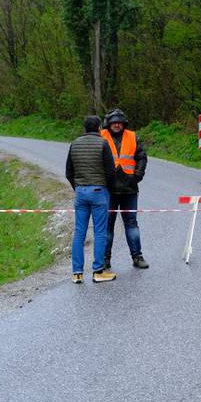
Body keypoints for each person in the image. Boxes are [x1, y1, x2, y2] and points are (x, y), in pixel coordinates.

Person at [65, 115, 118, 284]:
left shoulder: (74, 144)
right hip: (99, 191)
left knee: (79, 232)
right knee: (100, 231)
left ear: (84, 128)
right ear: (99, 128)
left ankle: (77, 273)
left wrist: (78, 188)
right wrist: (107, 189)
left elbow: (69, 172)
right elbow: (111, 171)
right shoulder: (103, 143)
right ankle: (98, 271)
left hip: (81, 192)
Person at [100, 108, 149, 270]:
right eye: (114, 122)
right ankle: (105, 258)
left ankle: (137, 256)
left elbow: (141, 157)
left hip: (129, 188)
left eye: (119, 122)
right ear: (109, 123)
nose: (117, 125)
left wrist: (138, 175)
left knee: (132, 224)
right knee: (107, 225)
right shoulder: (101, 136)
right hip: (108, 189)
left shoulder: (133, 136)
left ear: (123, 123)